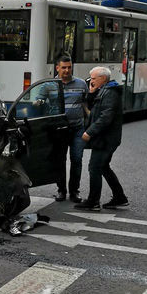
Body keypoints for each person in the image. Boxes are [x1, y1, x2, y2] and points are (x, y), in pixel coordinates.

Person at [75, 66, 129, 211]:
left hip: (106, 140)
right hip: (105, 139)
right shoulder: (104, 90)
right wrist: (92, 93)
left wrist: (89, 132)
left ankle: (93, 201)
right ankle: (119, 197)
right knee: (103, 167)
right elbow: (95, 107)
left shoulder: (110, 93)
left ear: (103, 79)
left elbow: (106, 117)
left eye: (93, 78)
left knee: (95, 167)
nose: (90, 81)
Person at [52, 55, 88, 203]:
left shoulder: (81, 84)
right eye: (64, 67)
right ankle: (61, 190)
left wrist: (91, 124)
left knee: (77, 159)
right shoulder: (50, 85)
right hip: (59, 130)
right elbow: (39, 104)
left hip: (77, 129)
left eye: (69, 67)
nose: (67, 70)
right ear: (57, 68)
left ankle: (74, 191)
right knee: (60, 160)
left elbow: (86, 105)